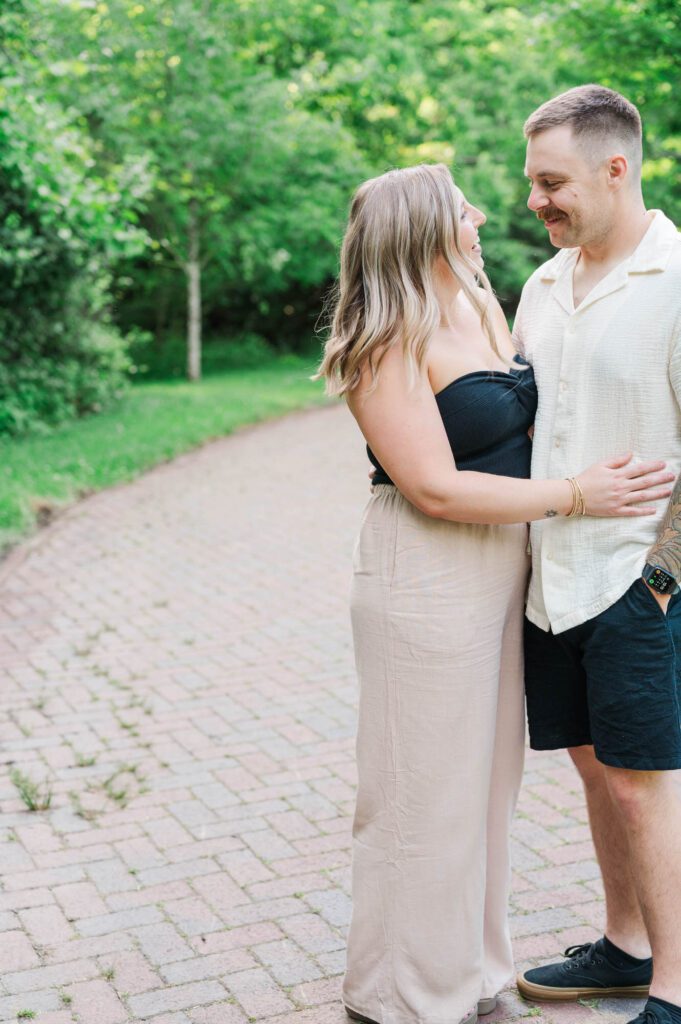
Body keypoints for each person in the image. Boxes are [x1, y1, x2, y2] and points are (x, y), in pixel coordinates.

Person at [316, 162, 673, 1024]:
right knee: (415, 791)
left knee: (481, 790)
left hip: (499, 576)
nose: (480, 216)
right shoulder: (379, 340)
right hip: (424, 574)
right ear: (422, 229)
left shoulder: (478, 306)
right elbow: (434, 488)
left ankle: (470, 971)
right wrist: (577, 496)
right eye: (462, 208)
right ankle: (401, 993)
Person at [512, 85, 681, 1024]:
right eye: (532, 181)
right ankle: (624, 946)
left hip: (634, 580)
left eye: (551, 182)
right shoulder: (542, 285)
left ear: (615, 169)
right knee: (591, 767)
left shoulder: (676, 279)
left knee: (645, 782)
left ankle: (674, 988)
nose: (534, 201)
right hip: (549, 583)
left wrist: (660, 578)